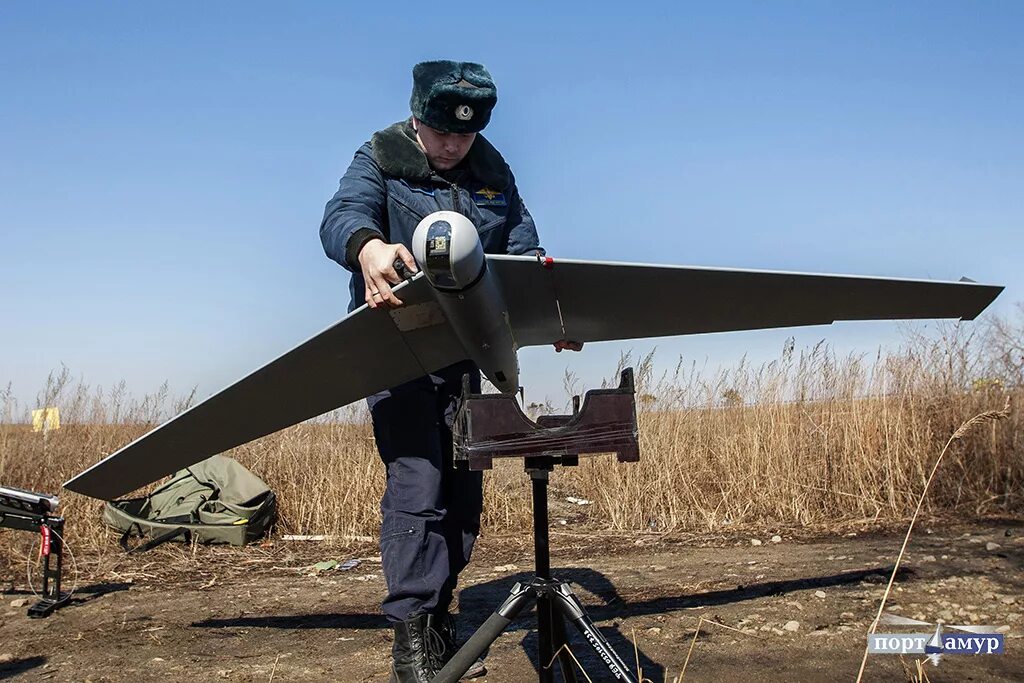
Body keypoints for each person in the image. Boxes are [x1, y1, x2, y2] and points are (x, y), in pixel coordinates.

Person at [320, 60, 581, 682]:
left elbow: (521, 253)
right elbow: (340, 217)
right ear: (417, 119)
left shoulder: (494, 173)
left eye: (463, 135)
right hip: (400, 353)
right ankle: (413, 641)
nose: (452, 145)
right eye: (441, 133)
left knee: (463, 500)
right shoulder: (380, 157)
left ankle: (441, 619)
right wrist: (368, 247)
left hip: (464, 360)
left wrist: (554, 314)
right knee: (419, 486)